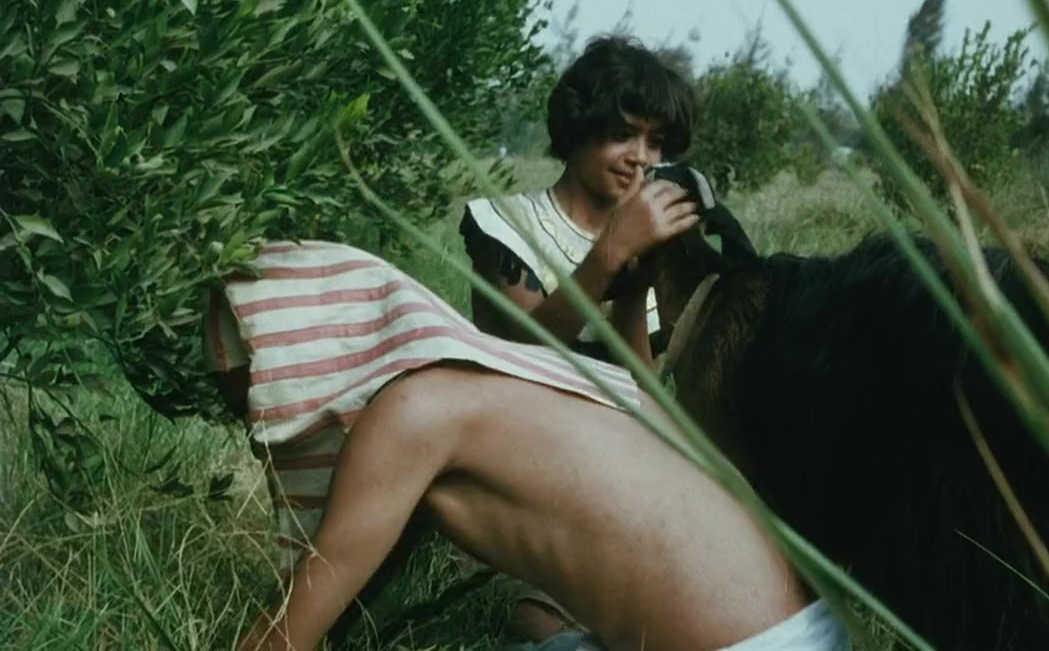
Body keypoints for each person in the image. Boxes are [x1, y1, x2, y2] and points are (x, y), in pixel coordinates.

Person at [220, 239, 849, 651]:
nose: (253, 429)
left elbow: (287, 636)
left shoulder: (413, 413)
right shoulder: (524, 380)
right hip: (816, 629)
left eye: (251, 391)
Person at [460, 35, 700, 367]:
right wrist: (612, 250)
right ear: (577, 128)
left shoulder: (648, 242)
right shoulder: (508, 224)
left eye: (655, 142)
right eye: (621, 135)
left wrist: (633, 290)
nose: (641, 157)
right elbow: (531, 351)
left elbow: (640, 386)